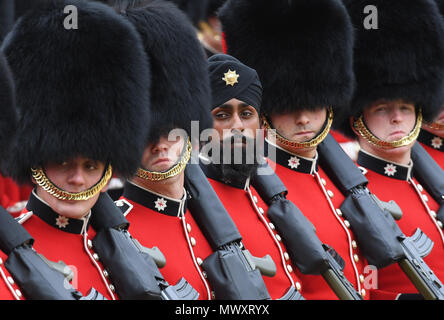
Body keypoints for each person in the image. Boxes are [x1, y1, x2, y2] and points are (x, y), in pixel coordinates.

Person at [218, 0, 370, 300]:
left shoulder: (346, 174)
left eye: (312, 105)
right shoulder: (250, 188)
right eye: (287, 107)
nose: (302, 118)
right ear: (266, 111)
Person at [0, 0, 152, 299]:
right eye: (63, 163)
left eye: (92, 165)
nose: (78, 180)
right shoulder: (7, 262)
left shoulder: (134, 247)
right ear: (35, 161)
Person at [109, 0, 220, 300]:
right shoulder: (113, 237)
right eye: (146, 134)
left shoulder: (218, 216)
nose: (161, 142)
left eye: (171, 129)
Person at [337, 0, 444, 299]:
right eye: (383, 109)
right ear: (358, 118)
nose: (397, 117)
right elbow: (359, 283)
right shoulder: (348, 197)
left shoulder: (428, 184)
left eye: (406, 107)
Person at [200, 53, 307, 300]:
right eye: (223, 115)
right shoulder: (194, 207)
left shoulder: (272, 193)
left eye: (247, 114)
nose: (237, 125)